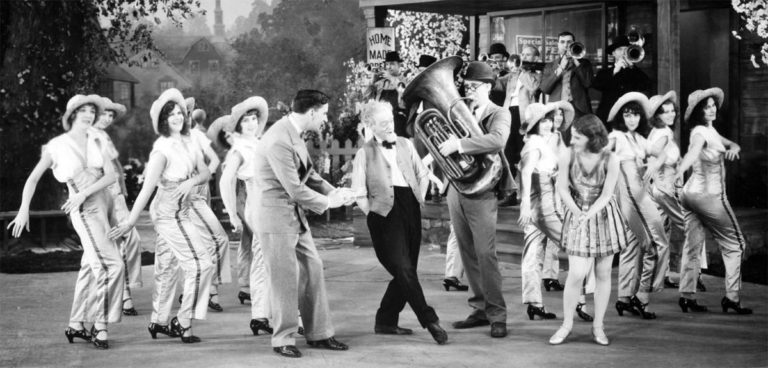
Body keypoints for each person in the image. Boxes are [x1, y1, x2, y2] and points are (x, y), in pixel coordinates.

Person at [8, 95, 124, 349]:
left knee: (90, 265)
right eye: (81, 110)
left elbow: (111, 175)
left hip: (103, 204)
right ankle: (100, 325)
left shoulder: (98, 140)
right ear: (71, 115)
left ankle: (76, 324)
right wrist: (23, 209)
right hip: (84, 210)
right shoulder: (56, 146)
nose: (88, 114)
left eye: (91, 110)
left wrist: (91, 195)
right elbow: (33, 178)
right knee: (112, 265)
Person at [109, 88, 214, 344]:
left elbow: (205, 173)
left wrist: (191, 183)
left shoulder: (190, 143)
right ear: (162, 121)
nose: (178, 117)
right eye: (171, 114)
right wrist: (131, 221)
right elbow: (147, 189)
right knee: (201, 265)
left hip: (183, 207)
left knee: (167, 267)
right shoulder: (162, 150)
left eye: (180, 112)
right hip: (168, 212)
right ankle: (183, 320)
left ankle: (159, 321)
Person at [253, 89, 352, 358]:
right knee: (285, 279)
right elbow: (295, 189)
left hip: (292, 216)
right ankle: (283, 338)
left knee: (313, 268)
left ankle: (319, 334)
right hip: (275, 218)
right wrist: (329, 203)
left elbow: (309, 175)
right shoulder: (278, 140)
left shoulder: (291, 132)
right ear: (311, 112)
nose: (324, 119)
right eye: (323, 113)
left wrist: (335, 192)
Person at [351, 100, 448, 345]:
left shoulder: (406, 144)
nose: (390, 126)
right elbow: (359, 193)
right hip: (384, 215)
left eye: (391, 120)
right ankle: (430, 320)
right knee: (403, 270)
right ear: (370, 125)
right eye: (383, 124)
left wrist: (419, 198)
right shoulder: (364, 153)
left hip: (410, 208)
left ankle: (385, 321)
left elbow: (422, 174)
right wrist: (374, 213)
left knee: (406, 272)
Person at [437, 61, 515, 338]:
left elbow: (497, 141)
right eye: (465, 85)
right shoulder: (459, 112)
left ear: (487, 86)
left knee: (485, 253)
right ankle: (480, 308)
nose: (467, 90)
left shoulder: (499, 113)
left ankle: (497, 314)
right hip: (456, 189)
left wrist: (460, 144)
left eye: (473, 86)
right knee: (467, 252)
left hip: (483, 190)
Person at [549, 114, 637, 346]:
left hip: (605, 217)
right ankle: (566, 324)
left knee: (603, 273)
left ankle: (598, 326)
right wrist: (579, 214)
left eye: (577, 137)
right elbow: (562, 189)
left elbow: (608, 194)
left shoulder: (611, 159)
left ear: (592, 138)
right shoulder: (567, 154)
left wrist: (590, 214)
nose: (572, 140)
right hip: (577, 214)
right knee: (577, 273)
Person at [675, 88, 752, 315]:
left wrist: (734, 148)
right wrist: (679, 169)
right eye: (707, 106)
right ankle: (732, 297)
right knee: (736, 244)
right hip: (709, 197)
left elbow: (731, 144)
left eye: (712, 105)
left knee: (693, 244)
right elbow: (692, 152)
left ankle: (687, 296)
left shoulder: (710, 129)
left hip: (689, 196)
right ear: (699, 111)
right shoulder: (700, 133)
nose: (712, 109)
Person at [606, 92, 669, 320]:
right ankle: (641, 296)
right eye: (627, 115)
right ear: (621, 117)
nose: (632, 119)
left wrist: (653, 165)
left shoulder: (636, 138)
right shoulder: (617, 136)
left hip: (641, 195)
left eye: (635, 115)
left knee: (632, 246)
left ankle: (624, 298)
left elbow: (661, 153)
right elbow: (599, 152)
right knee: (655, 243)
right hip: (630, 197)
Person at [219, 96, 274, 336]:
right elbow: (225, 180)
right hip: (258, 204)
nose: (251, 124)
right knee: (265, 258)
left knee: (267, 259)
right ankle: (263, 314)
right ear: (238, 125)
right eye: (246, 120)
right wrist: (232, 213)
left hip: (272, 204)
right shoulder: (239, 149)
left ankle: (262, 314)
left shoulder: (259, 143)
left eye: (254, 119)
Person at [517, 101, 574, 321]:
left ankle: (534, 303)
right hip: (542, 202)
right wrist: (524, 205)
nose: (548, 124)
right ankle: (579, 301)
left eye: (549, 120)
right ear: (534, 125)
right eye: (543, 121)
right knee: (574, 244)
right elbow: (526, 172)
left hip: (539, 201)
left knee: (533, 253)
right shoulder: (533, 143)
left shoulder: (539, 141)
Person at [92, 97, 142, 316]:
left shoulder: (104, 137)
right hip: (101, 194)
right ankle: (123, 295)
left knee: (131, 239)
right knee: (114, 242)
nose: (107, 119)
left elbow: (115, 164)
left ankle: (125, 290)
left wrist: (122, 187)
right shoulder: (88, 137)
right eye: (103, 114)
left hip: (116, 194)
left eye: (110, 115)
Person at [180, 98, 231, 312]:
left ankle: (204, 290)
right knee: (218, 239)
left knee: (207, 242)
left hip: (202, 191)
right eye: (183, 112)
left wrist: (202, 176)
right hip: (189, 198)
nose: (186, 116)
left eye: (188, 112)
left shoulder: (197, 136)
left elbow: (215, 161)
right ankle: (208, 289)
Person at [496, 45, 542, 186]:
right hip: (509, 113)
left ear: (535, 58)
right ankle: (509, 189)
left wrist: (523, 71)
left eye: (528, 55)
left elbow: (533, 87)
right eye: (522, 54)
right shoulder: (512, 75)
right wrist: (494, 71)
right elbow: (497, 85)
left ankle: (525, 188)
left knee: (524, 150)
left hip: (525, 116)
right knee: (508, 150)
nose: (523, 57)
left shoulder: (536, 75)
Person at [593, 35, 652, 125]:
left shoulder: (635, 71)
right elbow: (597, 85)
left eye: (626, 49)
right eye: (620, 49)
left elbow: (646, 85)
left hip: (630, 116)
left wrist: (632, 67)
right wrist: (615, 71)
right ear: (613, 53)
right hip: (608, 114)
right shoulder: (604, 72)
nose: (623, 52)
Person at [541, 31, 594, 118]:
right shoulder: (550, 65)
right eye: (562, 42)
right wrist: (560, 68)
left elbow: (588, 83)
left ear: (574, 44)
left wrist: (576, 61)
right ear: (558, 44)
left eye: (569, 42)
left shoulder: (584, 63)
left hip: (579, 109)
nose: (566, 45)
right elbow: (545, 88)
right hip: (557, 108)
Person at [374, 51, 409, 137]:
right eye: (387, 64)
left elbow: (404, 103)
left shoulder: (404, 81)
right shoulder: (382, 83)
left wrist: (391, 78)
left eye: (392, 64)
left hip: (399, 124)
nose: (389, 67)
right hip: (383, 124)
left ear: (399, 65)